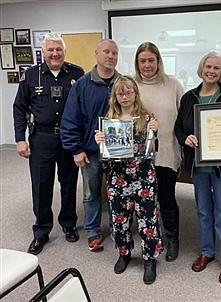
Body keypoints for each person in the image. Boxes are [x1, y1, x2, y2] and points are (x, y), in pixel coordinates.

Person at [13, 33, 84, 255]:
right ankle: (41, 231)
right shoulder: (31, 75)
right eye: (50, 50)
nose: (55, 53)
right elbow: (19, 108)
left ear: (64, 51)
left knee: (69, 183)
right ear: (43, 53)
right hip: (41, 138)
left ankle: (68, 224)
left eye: (58, 49)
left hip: (69, 137)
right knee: (41, 186)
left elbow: (83, 107)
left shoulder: (77, 73)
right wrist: (19, 138)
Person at [174, 51, 221, 284]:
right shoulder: (189, 97)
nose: (211, 71)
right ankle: (207, 252)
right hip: (199, 166)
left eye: (216, 68)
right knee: (203, 211)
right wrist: (186, 139)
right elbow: (178, 128)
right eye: (208, 67)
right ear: (201, 69)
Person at [95, 75, 163, 285]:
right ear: (115, 96)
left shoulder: (146, 118)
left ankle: (149, 259)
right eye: (120, 93)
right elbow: (105, 155)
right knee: (119, 219)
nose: (125, 97)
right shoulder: (109, 119)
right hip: (118, 178)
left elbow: (154, 150)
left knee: (148, 219)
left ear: (135, 94)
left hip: (143, 177)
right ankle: (124, 253)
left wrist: (154, 133)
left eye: (129, 92)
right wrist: (100, 141)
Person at [60, 39, 120, 252]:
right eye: (106, 52)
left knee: (117, 193)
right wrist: (76, 149)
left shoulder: (123, 83)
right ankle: (93, 231)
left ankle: (117, 229)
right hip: (91, 153)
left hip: (117, 153)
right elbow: (70, 120)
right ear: (96, 54)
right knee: (90, 194)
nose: (110, 56)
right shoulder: (83, 85)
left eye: (114, 53)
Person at [134, 42, 184, 261]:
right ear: (137, 63)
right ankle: (151, 238)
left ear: (158, 61)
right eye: (142, 61)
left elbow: (184, 118)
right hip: (138, 154)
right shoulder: (130, 84)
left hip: (166, 151)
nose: (147, 65)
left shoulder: (172, 84)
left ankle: (172, 238)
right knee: (144, 200)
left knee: (166, 197)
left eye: (151, 60)